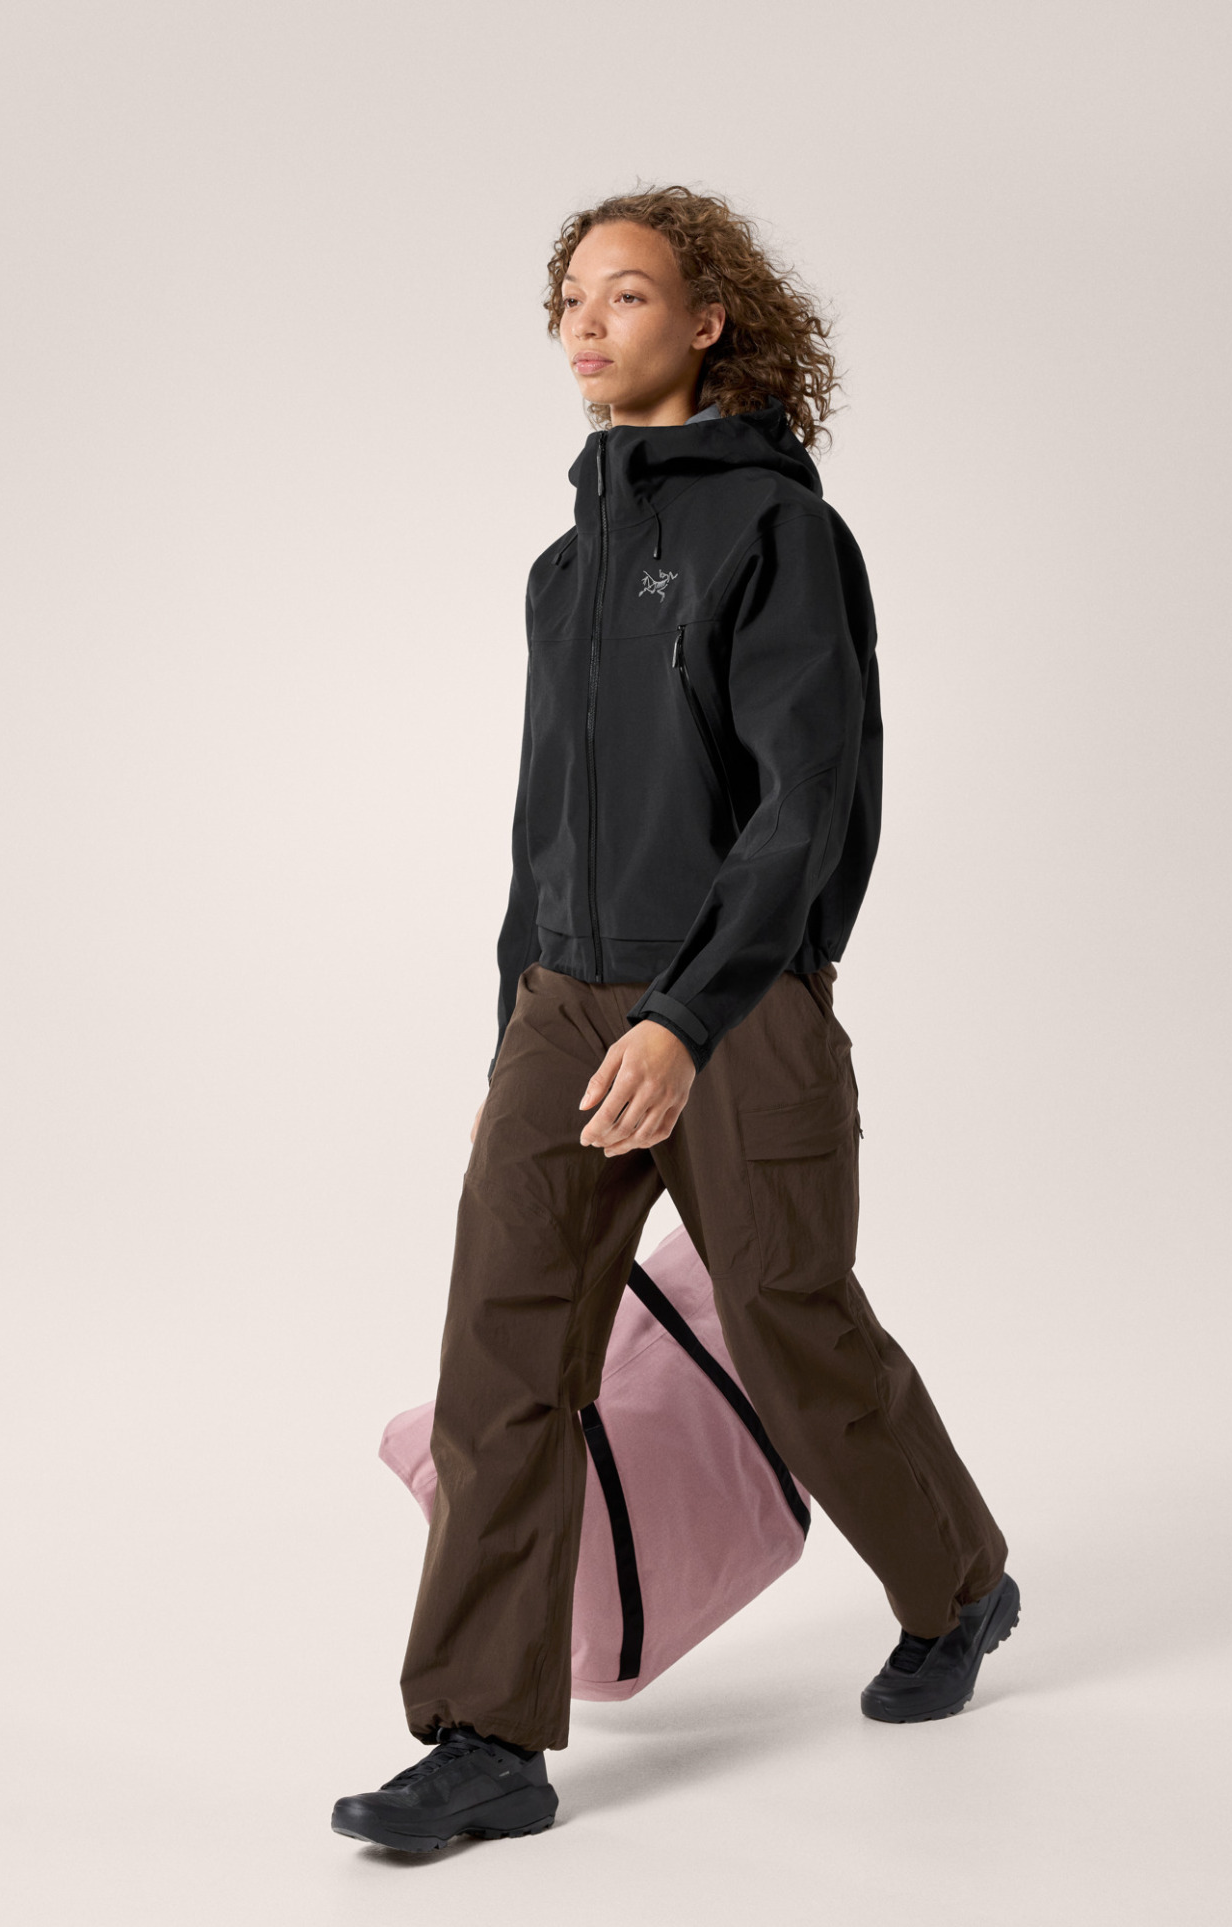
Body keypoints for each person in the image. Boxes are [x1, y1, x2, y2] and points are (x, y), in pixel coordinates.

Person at [331, 185, 1017, 1854]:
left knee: (789, 1323)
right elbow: (540, 829)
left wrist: (689, 1016)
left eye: (625, 294)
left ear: (706, 323)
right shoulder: (564, 568)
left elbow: (804, 808)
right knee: (501, 1354)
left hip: (742, 1000)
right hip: (563, 1007)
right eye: (569, 297)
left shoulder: (777, 533)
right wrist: (516, 1024)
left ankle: (956, 1583)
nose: (585, 321)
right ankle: (485, 1738)